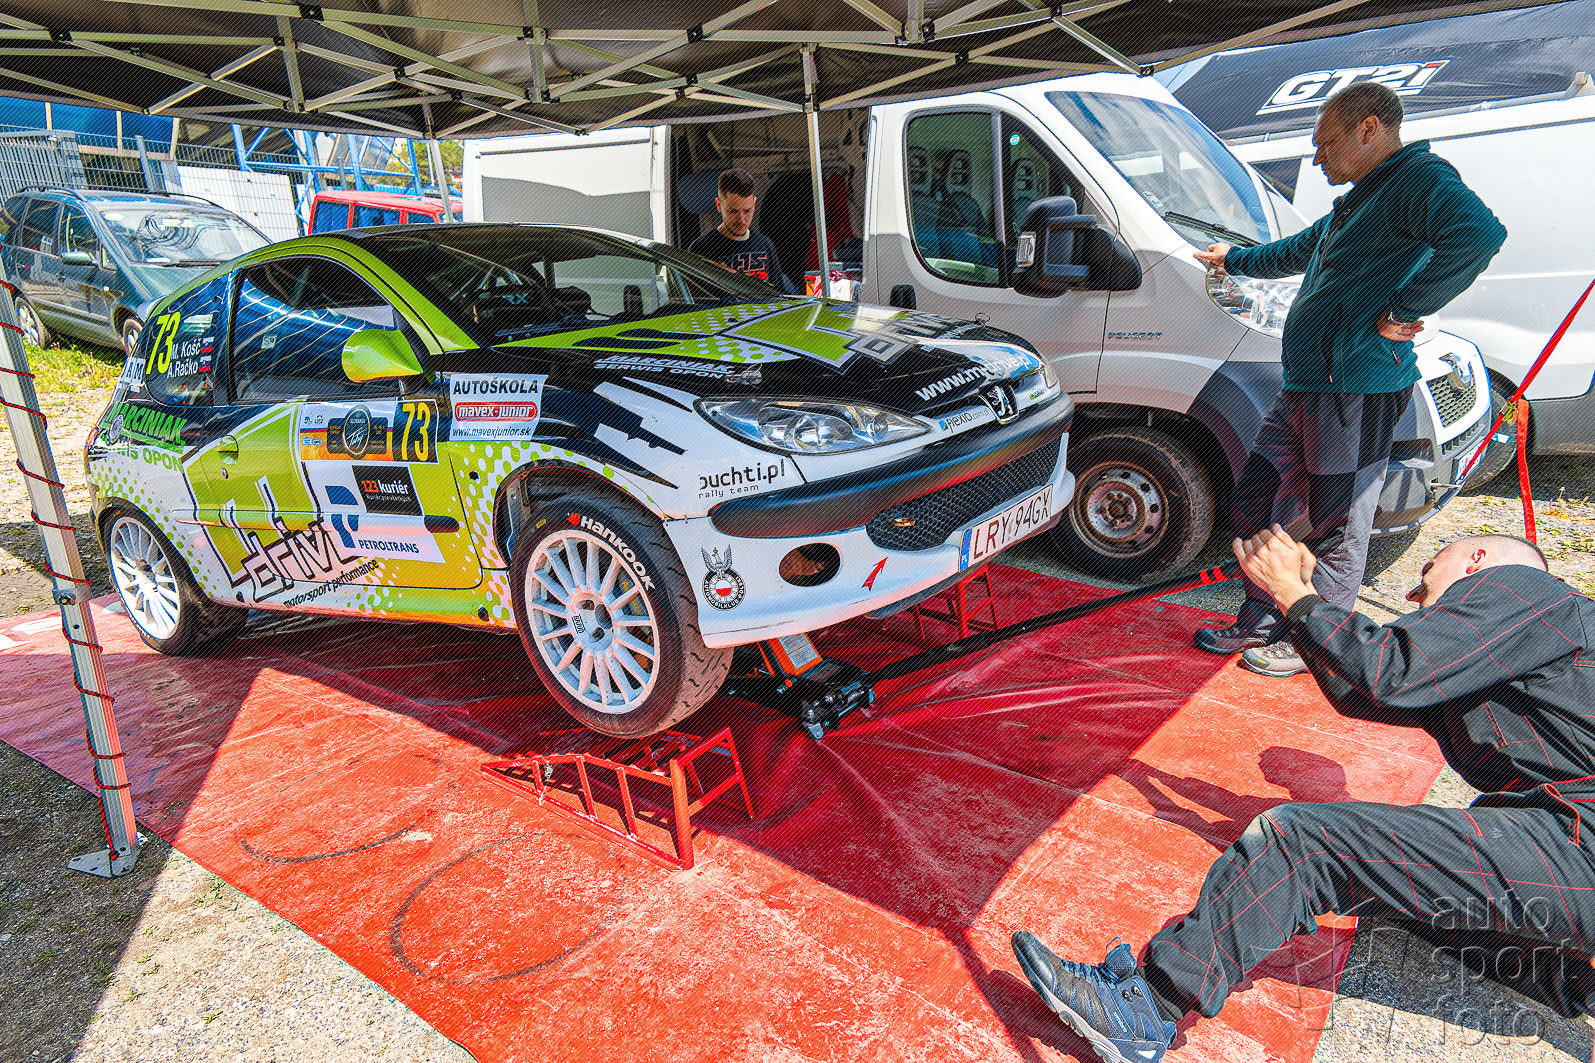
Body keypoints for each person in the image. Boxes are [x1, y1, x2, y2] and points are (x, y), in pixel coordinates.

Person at [1012, 527, 1595, 1063]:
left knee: (1303, 843)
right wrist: (1295, 598)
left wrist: (1296, 593)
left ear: (1477, 560)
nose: (1413, 595)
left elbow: (1391, 670)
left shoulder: (1523, 590)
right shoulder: (1518, 644)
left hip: (1581, 844)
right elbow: (1362, 691)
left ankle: (1147, 1007)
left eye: (1426, 573)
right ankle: (1573, 978)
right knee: (1396, 895)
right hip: (1572, 852)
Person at [1192, 81, 1506, 679]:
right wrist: (1231, 260)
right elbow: (1297, 251)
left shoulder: (1419, 179)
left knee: (1337, 521)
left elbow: (1480, 235)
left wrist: (1408, 307)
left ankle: (1320, 640)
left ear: (1368, 128)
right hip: (1307, 384)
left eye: (1325, 143)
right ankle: (1263, 618)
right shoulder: (1361, 199)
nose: (1317, 159)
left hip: (1355, 388)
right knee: (1257, 498)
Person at [688, 168, 795, 292]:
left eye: (747, 211)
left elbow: (778, 296)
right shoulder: (701, 249)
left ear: (754, 203)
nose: (742, 220)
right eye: (733, 211)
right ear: (719, 205)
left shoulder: (765, 245)